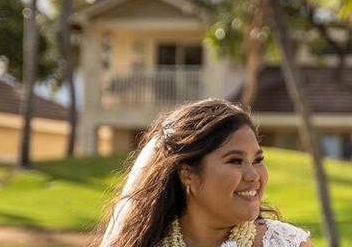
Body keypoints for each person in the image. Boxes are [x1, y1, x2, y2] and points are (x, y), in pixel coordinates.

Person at [99, 98, 314, 247]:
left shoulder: (288, 243)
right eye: (235, 161)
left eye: (258, 160)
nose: (253, 175)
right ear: (187, 174)